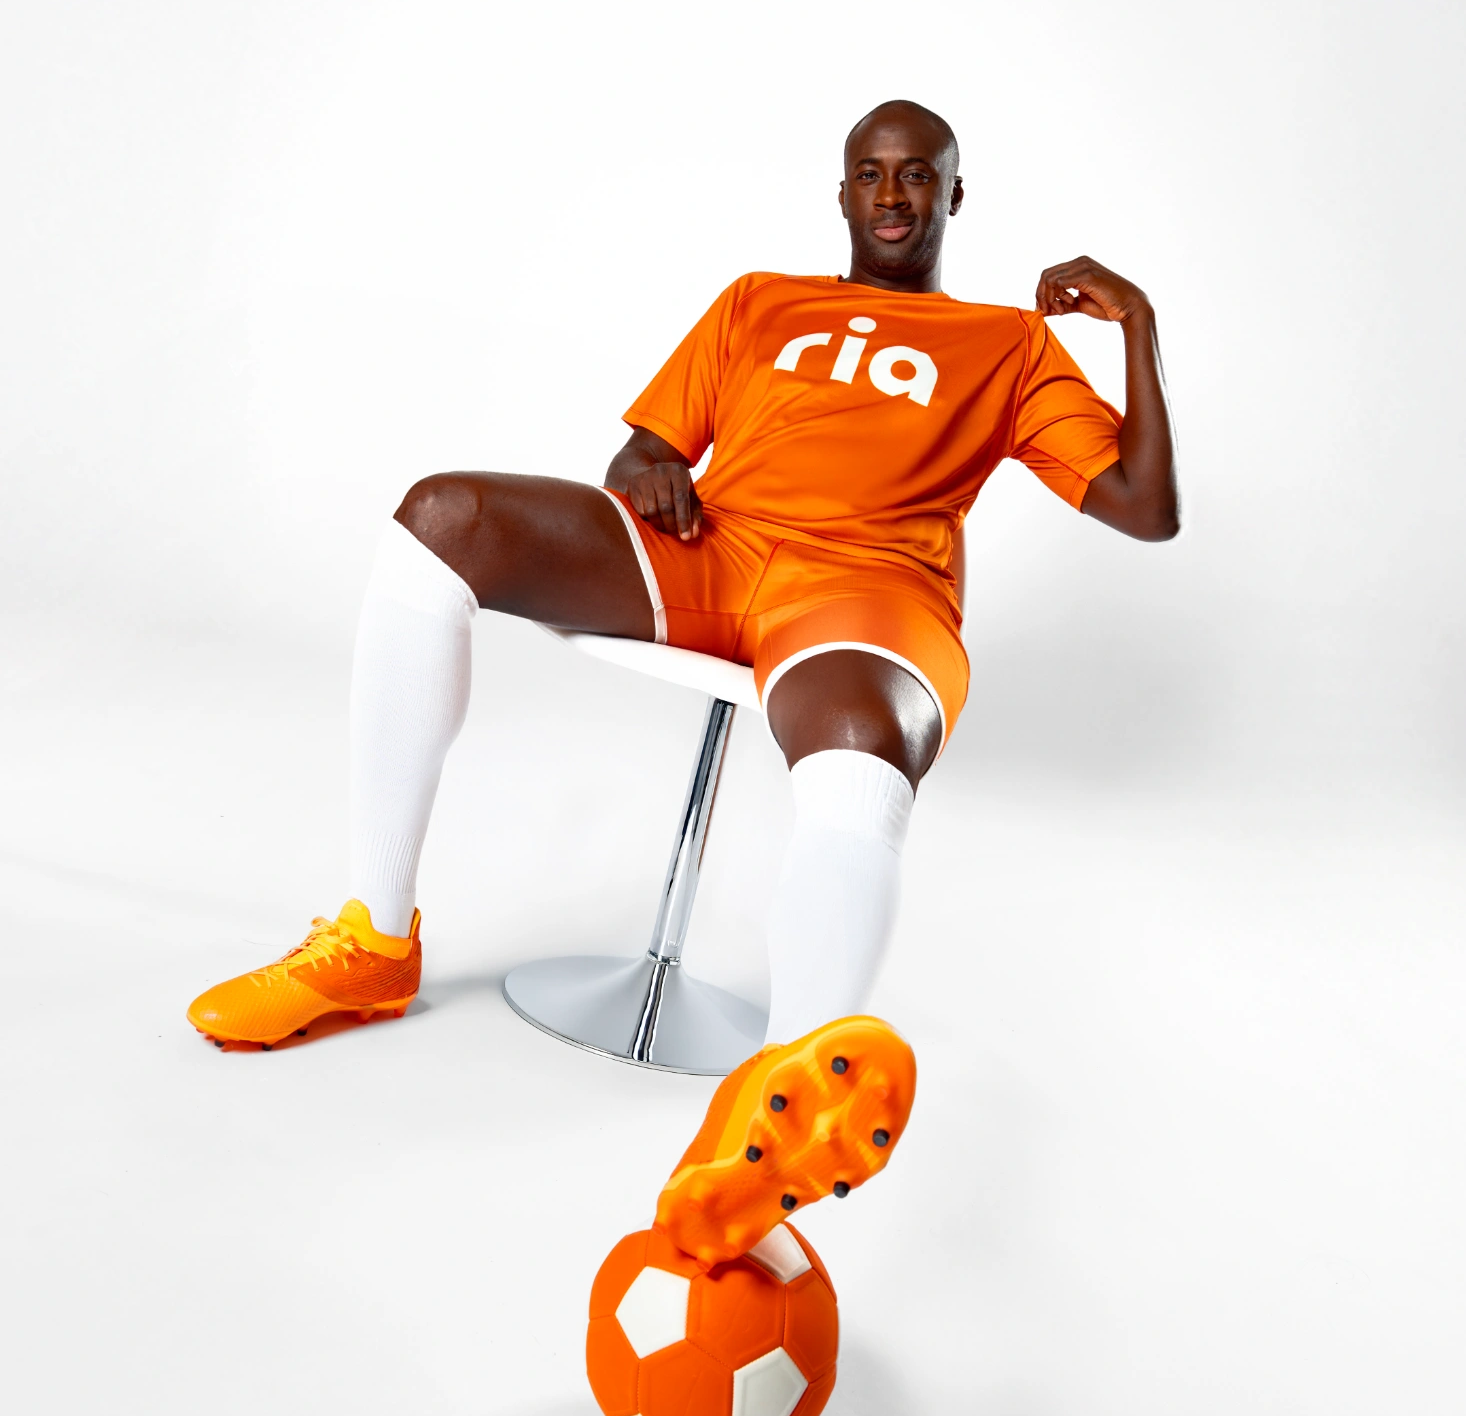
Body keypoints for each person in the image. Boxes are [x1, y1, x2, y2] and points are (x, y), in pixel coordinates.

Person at [188, 99, 1178, 1122]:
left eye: (917, 174)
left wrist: (1136, 325)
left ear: (954, 195)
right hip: (712, 550)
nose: (892, 194)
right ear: (841, 194)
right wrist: (653, 472)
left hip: (866, 587)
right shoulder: (759, 302)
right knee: (442, 518)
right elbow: (641, 456)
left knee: (862, 741)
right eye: (871, 173)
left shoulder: (1008, 343)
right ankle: (373, 943)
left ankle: (788, 1102)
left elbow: (1146, 510)